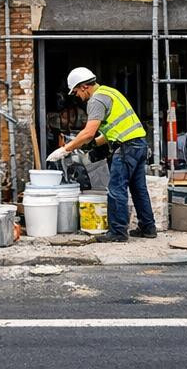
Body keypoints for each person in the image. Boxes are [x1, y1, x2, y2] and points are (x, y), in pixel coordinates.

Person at [47, 67, 157, 242]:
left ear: (84, 87)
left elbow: (88, 132)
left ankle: (118, 232)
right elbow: (113, 130)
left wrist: (66, 148)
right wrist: (92, 145)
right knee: (138, 189)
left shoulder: (96, 100)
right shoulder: (110, 92)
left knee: (116, 189)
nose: (76, 96)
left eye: (75, 91)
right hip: (139, 144)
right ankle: (148, 228)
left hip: (126, 148)